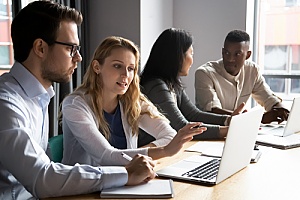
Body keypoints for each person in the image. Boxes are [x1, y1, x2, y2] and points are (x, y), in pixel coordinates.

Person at [0, 1, 157, 199]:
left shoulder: (37, 97)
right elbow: (42, 178)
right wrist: (126, 173)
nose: (79, 58)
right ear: (40, 48)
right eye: (71, 49)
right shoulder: (6, 104)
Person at [61, 36, 205, 167]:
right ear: (97, 67)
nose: (125, 75)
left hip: (124, 181)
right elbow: (105, 156)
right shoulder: (75, 105)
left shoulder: (131, 100)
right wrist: (163, 151)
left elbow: (170, 135)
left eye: (131, 69)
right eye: (117, 66)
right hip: (85, 188)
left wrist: (137, 156)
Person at [139, 28, 243, 143]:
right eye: (191, 54)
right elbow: (181, 126)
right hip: (150, 151)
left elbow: (193, 114)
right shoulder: (156, 86)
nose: (192, 60)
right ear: (177, 56)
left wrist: (229, 120)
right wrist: (227, 131)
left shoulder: (172, 83)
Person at [195, 29, 289, 124]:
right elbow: (213, 111)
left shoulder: (252, 70)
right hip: (211, 132)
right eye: (227, 53)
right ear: (222, 52)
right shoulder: (205, 73)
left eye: (237, 54)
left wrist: (281, 109)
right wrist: (258, 119)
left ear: (248, 55)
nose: (230, 59)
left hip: (239, 131)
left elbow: (269, 99)